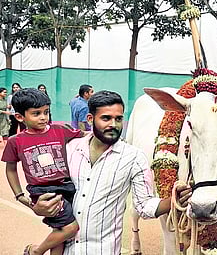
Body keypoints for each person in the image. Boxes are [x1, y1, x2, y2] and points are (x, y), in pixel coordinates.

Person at [32, 90, 191, 254]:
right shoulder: (70, 149)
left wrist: (174, 199)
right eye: (106, 118)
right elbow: (50, 192)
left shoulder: (134, 158)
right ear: (90, 119)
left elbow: (144, 206)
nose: (114, 125)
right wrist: (37, 206)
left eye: (119, 119)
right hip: (65, 250)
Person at [2, 88, 83, 255]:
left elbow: (84, 134)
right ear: (19, 117)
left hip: (67, 186)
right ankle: (36, 251)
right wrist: (19, 195)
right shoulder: (15, 141)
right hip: (44, 192)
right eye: (36, 113)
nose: (43, 117)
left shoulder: (59, 130)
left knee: (61, 235)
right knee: (71, 227)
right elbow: (10, 169)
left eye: (46, 112)